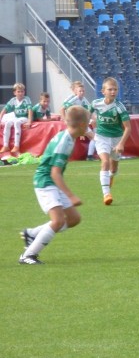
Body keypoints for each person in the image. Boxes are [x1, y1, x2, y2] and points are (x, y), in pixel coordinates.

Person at [18, 105, 90, 265]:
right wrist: (71, 196)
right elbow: (55, 173)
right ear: (82, 125)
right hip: (45, 182)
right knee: (57, 221)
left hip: (52, 182)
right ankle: (28, 256)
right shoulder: (64, 142)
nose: (89, 126)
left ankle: (32, 234)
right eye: (88, 123)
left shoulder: (71, 135)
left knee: (74, 219)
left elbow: (89, 133)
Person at [91, 77, 131, 205]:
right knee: (105, 161)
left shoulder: (119, 107)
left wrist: (121, 143)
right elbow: (86, 114)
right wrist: (84, 127)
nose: (113, 92)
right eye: (110, 89)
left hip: (116, 139)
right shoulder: (95, 103)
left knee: (113, 169)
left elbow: (128, 128)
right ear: (103, 91)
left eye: (115, 89)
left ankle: (111, 176)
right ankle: (106, 194)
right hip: (101, 137)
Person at [60, 81, 96, 160]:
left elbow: (89, 111)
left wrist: (93, 118)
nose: (82, 93)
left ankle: (90, 156)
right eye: (80, 91)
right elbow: (62, 108)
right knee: (94, 137)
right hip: (76, 124)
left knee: (94, 136)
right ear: (75, 91)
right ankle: (92, 155)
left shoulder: (83, 100)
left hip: (81, 123)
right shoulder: (73, 99)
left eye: (83, 91)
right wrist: (65, 120)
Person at [0, 83, 33, 156]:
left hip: (24, 117)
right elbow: (4, 110)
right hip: (16, 116)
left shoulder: (26, 99)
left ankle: (16, 145)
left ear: (24, 92)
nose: (20, 93)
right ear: (14, 93)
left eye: (22, 91)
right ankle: (6, 145)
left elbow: (30, 110)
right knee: (8, 123)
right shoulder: (13, 100)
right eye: (18, 91)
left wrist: (29, 121)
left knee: (17, 123)